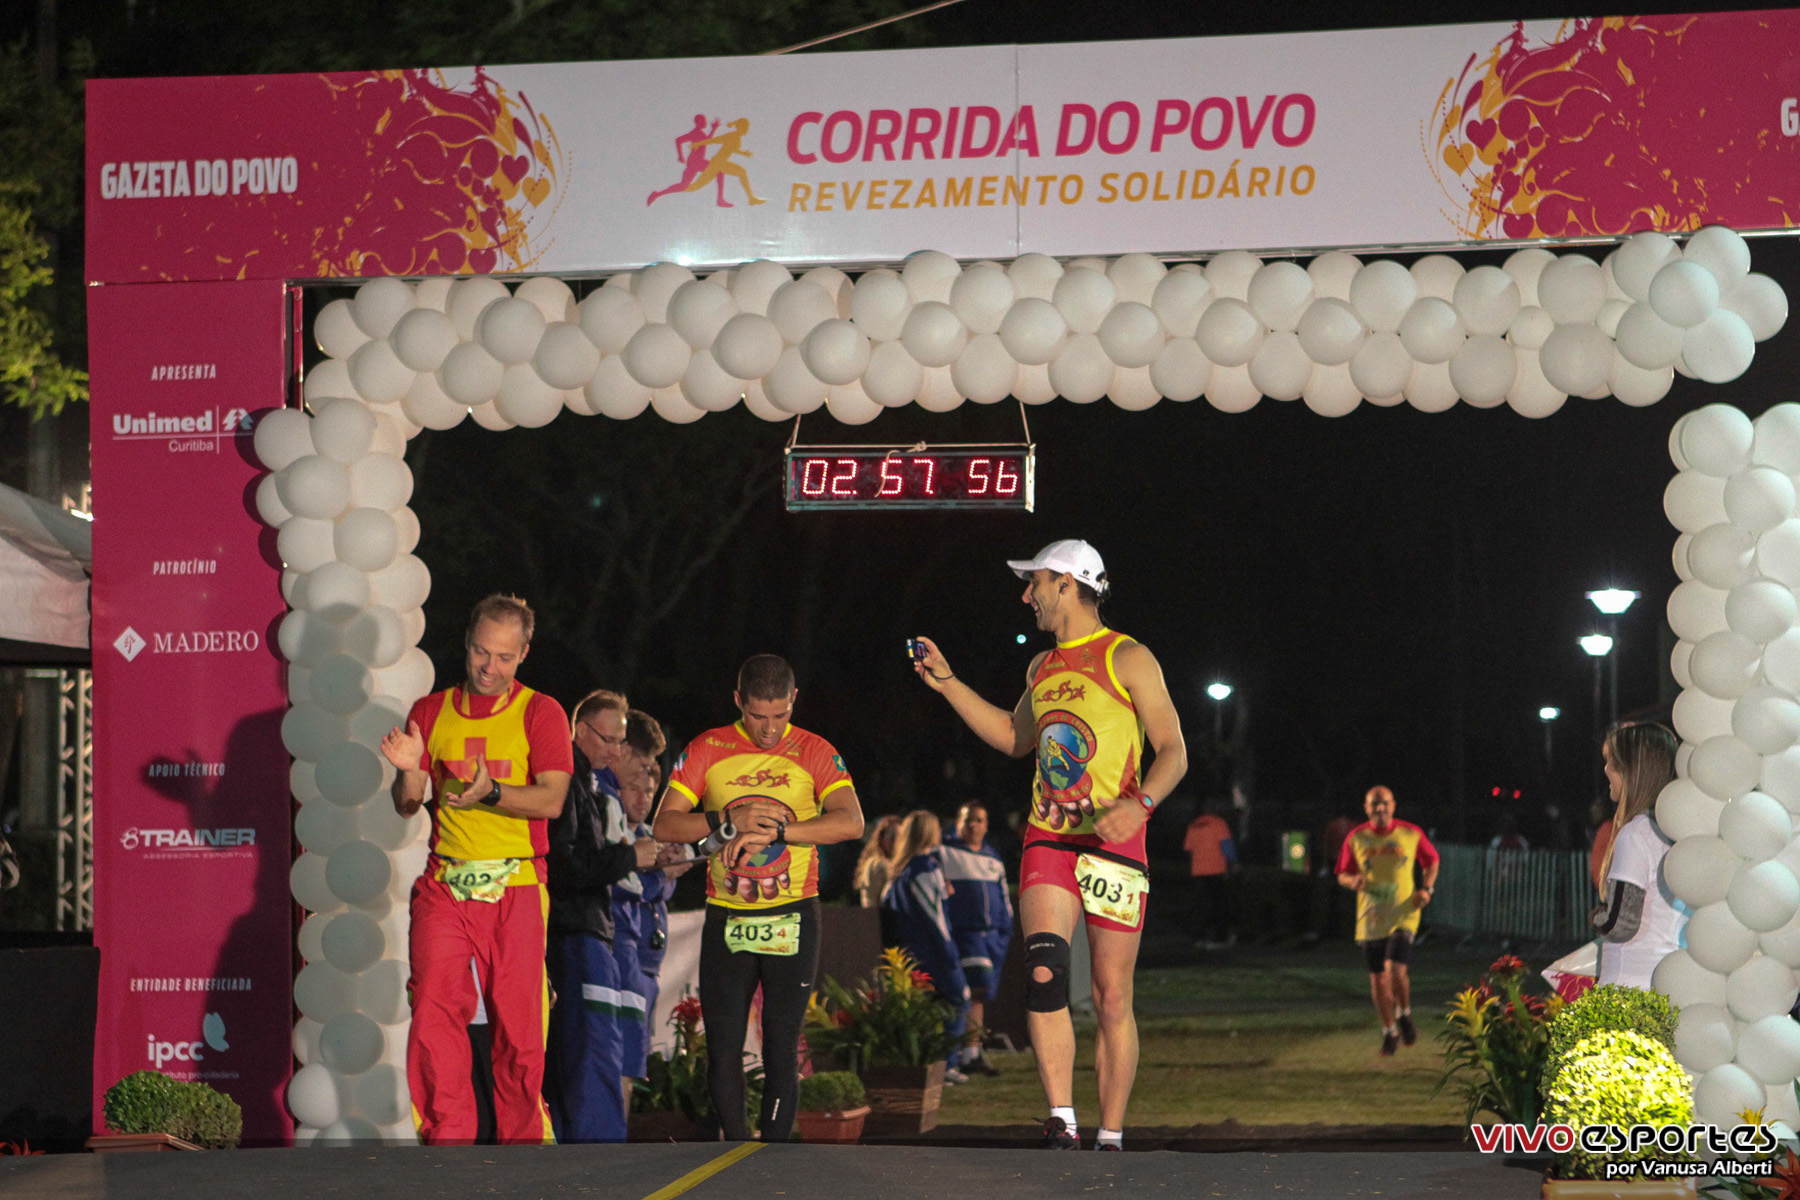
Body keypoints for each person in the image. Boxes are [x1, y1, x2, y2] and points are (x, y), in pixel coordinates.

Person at [912, 539, 1188, 1151]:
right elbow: (1015, 737)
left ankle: (1110, 1135)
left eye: (1033, 582)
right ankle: (1062, 1119)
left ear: (1065, 583)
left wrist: (1139, 805)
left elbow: (1174, 750)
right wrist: (948, 684)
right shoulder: (1040, 666)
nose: (1025, 595)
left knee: (1111, 997)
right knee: (1043, 973)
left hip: (1115, 845)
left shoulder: (1128, 656)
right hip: (1050, 840)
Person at [380, 594, 573, 1144]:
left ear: (524, 654)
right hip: (447, 882)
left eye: (504, 657)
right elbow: (408, 804)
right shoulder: (430, 711)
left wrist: (492, 793)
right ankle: (448, 1140)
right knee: (433, 1009)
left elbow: (551, 801)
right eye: (481, 652)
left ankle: (523, 1143)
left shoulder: (541, 712)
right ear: (466, 643)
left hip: (517, 884)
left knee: (518, 1029)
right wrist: (409, 770)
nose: (490, 667)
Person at [652, 654, 865, 1142]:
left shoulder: (814, 750)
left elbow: (851, 821)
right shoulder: (709, 747)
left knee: (780, 1044)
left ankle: (773, 1155)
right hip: (728, 914)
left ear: (794, 700)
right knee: (723, 1046)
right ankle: (735, 1146)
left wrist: (780, 831)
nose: (769, 730)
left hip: (793, 913)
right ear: (737, 701)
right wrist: (727, 822)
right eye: (756, 716)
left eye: (780, 715)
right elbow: (665, 824)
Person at [543, 688, 653, 1142]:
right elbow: (565, 865)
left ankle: (587, 1146)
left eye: (621, 741)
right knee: (591, 1051)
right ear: (581, 731)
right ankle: (596, 1152)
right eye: (610, 740)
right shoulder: (568, 781)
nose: (617, 751)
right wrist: (629, 857)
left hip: (585, 931)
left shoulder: (583, 781)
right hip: (576, 932)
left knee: (591, 1051)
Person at [1335, 785, 1440, 1057]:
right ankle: (1390, 1032)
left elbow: (1431, 859)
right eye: (1374, 804)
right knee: (1378, 979)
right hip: (1371, 917)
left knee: (1395, 968)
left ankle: (1404, 1013)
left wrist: (1426, 889)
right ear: (1366, 808)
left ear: (1393, 806)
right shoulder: (1356, 838)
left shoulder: (1410, 833)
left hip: (1403, 912)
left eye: (1384, 803)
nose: (1380, 809)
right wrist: (1353, 881)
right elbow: (1342, 874)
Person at [882, 810, 974, 1084]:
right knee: (959, 997)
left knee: (924, 1009)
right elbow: (934, 917)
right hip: (931, 951)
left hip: (908, 953)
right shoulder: (924, 867)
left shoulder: (902, 870)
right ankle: (945, 1065)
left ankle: (928, 1066)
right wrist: (949, 951)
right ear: (929, 833)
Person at [1591, 722, 1684, 990]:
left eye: (1613, 762)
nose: (1606, 770)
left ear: (1635, 771)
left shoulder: (1635, 834)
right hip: (1670, 980)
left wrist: (1597, 917)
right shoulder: (1676, 833)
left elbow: (1621, 924)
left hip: (1629, 984)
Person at [940, 801, 1013, 1077]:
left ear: (986, 825)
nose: (973, 825)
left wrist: (1005, 930)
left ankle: (970, 1053)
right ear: (957, 823)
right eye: (968, 819)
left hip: (991, 937)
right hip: (963, 934)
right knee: (970, 990)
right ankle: (953, 1054)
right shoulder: (944, 853)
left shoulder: (993, 858)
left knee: (978, 995)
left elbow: (1003, 898)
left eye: (979, 820)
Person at [1183, 801, 1236, 949]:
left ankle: (1198, 937)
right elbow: (1227, 846)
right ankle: (1220, 938)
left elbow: (1188, 848)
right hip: (1216, 870)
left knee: (1200, 906)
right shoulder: (1219, 823)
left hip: (1198, 871)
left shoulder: (1194, 825)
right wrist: (1234, 863)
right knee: (1220, 905)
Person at [854, 814, 903, 907]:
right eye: (892, 837)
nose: (896, 842)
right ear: (882, 839)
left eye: (900, 837)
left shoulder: (891, 863)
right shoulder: (878, 864)